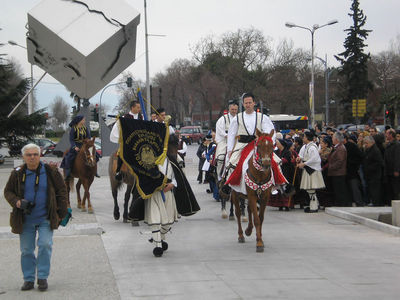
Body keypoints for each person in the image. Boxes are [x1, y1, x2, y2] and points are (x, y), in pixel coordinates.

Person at [4, 143, 68, 291]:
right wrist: (17, 202)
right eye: (29, 155)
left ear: (40, 156)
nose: (32, 157)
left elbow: (62, 191)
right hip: (25, 219)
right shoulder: (17, 173)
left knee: (45, 245)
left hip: (46, 217)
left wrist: (61, 213)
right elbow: (8, 192)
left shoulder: (51, 171)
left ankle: (42, 277)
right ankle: (28, 279)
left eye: (35, 154)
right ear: (23, 157)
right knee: (26, 250)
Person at [145, 156, 178, 257]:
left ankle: (159, 236)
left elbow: (179, 176)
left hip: (168, 193)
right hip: (153, 193)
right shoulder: (149, 158)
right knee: (154, 220)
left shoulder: (174, 160)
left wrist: (172, 184)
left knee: (167, 223)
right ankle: (158, 245)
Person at [110, 100, 144, 180]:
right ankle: (118, 171)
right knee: (122, 154)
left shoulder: (141, 117)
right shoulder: (125, 118)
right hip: (128, 142)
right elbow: (117, 129)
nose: (139, 109)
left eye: (140, 107)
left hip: (139, 141)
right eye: (138, 107)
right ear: (132, 107)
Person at [297, 131, 325, 213]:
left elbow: (315, 158)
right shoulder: (305, 146)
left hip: (312, 170)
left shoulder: (312, 147)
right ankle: (314, 205)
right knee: (309, 189)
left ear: (307, 138)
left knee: (311, 189)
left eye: (304, 137)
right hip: (308, 169)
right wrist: (299, 158)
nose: (303, 138)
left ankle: (314, 207)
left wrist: (304, 163)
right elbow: (302, 155)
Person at [215, 100, 239, 181]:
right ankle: (220, 175)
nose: (234, 111)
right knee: (221, 157)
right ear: (229, 109)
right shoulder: (223, 119)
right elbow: (220, 131)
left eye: (235, 110)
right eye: (232, 109)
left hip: (237, 142)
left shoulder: (240, 118)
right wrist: (229, 136)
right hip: (225, 141)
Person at [328, 132, 350, 206]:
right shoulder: (337, 147)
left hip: (339, 173)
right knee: (337, 190)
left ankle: (342, 204)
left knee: (340, 190)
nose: (332, 139)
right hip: (335, 173)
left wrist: (330, 167)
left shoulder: (341, 148)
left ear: (336, 139)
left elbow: (340, 161)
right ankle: (339, 203)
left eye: (333, 137)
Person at [344, 134, 364, 206]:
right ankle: (350, 202)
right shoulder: (343, 146)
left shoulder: (351, 146)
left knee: (354, 188)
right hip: (347, 172)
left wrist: (352, 163)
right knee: (349, 188)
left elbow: (360, 156)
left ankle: (359, 202)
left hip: (352, 171)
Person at [362, 135, 384, 206]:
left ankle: (376, 203)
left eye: (366, 143)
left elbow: (379, 163)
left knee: (375, 191)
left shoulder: (375, 150)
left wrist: (369, 168)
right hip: (370, 175)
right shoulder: (369, 150)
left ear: (371, 142)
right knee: (372, 190)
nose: (365, 145)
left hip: (375, 175)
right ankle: (374, 202)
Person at [383, 129, 400, 206]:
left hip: (394, 171)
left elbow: (397, 158)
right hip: (388, 171)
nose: (385, 135)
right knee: (389, 189)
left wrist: (396, 170)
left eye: (387, 134)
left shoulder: (396, 145)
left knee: (395, 189)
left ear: (391, 135)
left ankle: (396, 205)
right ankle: (390, 204)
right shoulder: (388, 144)